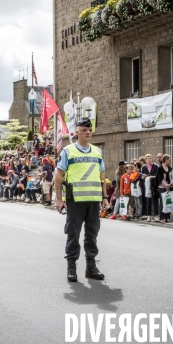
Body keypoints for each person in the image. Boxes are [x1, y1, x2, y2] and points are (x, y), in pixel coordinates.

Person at [55, 118, 109, 283]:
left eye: (90, 130)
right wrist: (59, 199)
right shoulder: (68, 151)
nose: (88, 132)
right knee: (73, 234)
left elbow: (102, 177)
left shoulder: (97, 152)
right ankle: (71, 266)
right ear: (77, 131)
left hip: (93, 200)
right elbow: (58, 177)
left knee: (92, 234)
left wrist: (105, 197)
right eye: (84, 130)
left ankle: (91, 266)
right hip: (75, 201)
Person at [141, 154, 159, 222]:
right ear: (145, 160)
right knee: (148, 201)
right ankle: (149, 216)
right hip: (147, 185)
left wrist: (153, 177)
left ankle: (156, 215)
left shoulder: (156, 166)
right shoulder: (144, 167)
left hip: (154, 185)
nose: (149, 159)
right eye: (148, 158)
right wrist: (143, 177)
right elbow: (142, 176)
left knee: (155, 201)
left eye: (150, 158)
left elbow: (157, 176)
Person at [156, 154, 173, 223]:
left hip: (169, 187)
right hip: (162, 187)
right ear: (166, 160)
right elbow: (160, 178)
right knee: (162, 203)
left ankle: (168, 217)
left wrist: (170, 184)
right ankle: (162, 217)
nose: (170, 161)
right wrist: (166, 186)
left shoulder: (170, 168)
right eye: (169, 160)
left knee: (168, 202)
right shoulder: (160, 168)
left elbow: (172, 177)